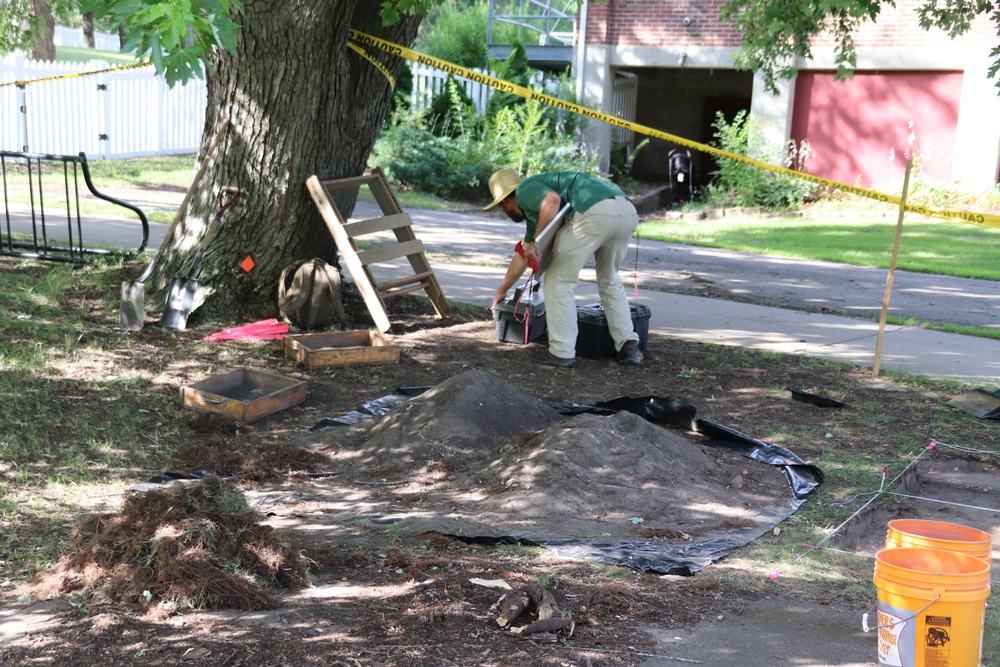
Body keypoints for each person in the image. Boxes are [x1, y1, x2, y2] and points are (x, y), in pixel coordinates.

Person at [483, 167, 643, 368]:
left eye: (501, 207)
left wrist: (535, 243)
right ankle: (628, 344)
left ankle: (562, 352)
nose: (505, 212)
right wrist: (502, 291)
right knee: (609, 279)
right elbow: (523, 255)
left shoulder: (525, 189)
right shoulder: (538, 214)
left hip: (594, 211)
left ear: (505, 200)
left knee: (558, 281)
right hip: (626, 210)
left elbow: (552, 201)